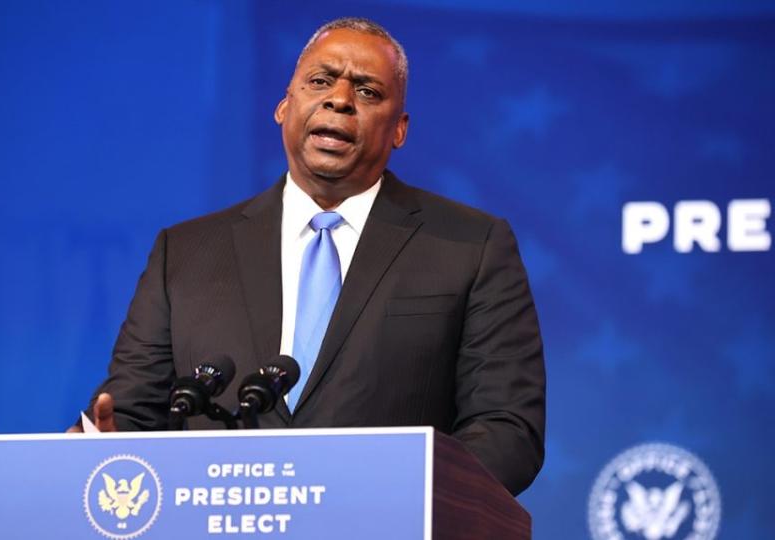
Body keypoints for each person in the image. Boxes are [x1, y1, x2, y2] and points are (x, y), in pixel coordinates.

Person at [76, 17, 545, 496]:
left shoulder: (471, 245)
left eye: (367, 92)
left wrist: (399, 502)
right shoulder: (186, 252)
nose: (339, 98)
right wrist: (95, 451)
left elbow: (507, 430)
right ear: (283, 106)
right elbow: (131, 412)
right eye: (320, 81)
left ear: (399, 129)